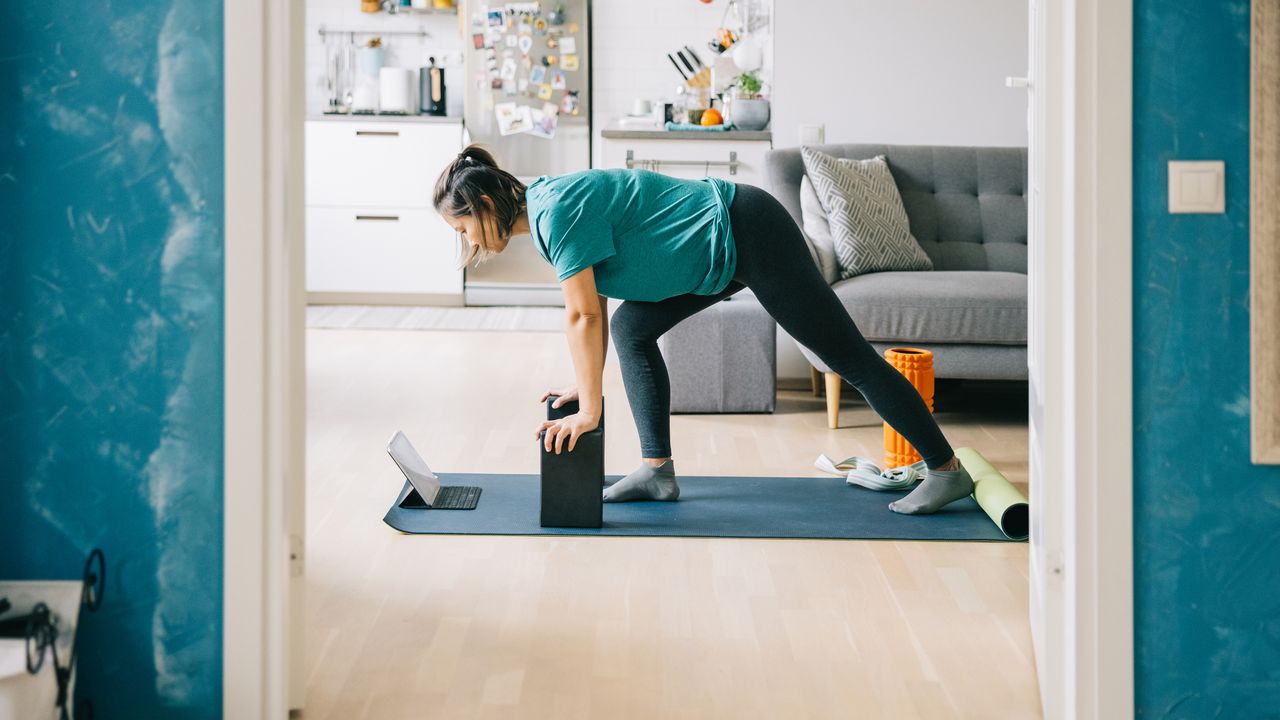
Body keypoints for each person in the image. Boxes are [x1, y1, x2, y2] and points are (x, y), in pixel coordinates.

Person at [432, 144, 973, 513]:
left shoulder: (556, 212)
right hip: (713, 255)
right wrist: (585, 384)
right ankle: (657, 471)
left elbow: (582, 315)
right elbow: (591, 306)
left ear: (484, 204)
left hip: (747, 230)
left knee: (847, 357)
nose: (470, 244)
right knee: (632, 329)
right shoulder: (551, 210)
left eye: (464, 228)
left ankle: (945, 469)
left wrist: (592, 410)